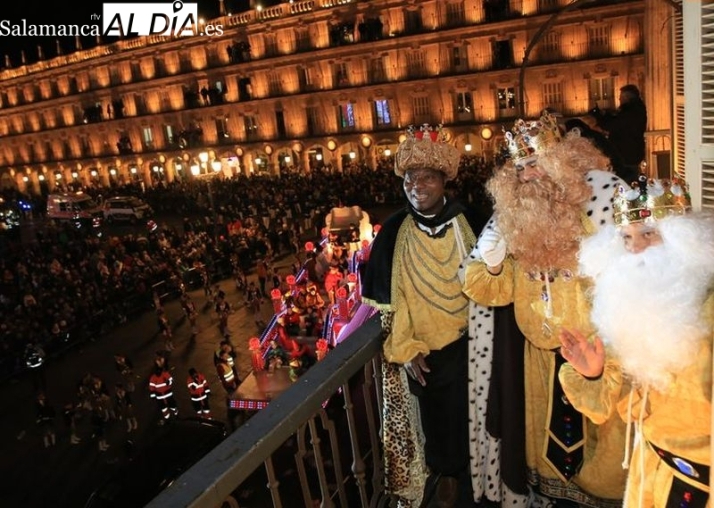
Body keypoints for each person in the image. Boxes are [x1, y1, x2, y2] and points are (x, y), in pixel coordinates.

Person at [461, 111, 629, 507]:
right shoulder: (517, 225)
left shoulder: (598, 219)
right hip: (537, 368)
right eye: (520, 168)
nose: (528, 175)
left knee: (599, 471)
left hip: (594, 365)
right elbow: (489, 290)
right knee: (548, 478)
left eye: (535, 163)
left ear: (562, 164)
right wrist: (496, 263)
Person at [362, 124, 524, 507]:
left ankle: (485, 481)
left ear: (443, 182)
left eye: (427, 177)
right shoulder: (393, 233)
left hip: (474, 342)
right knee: (439, 426)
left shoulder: (470, 220)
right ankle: (447, 479)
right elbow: (392, 304)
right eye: (410, 178)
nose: (417, 185)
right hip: (427, 352)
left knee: (483, 417)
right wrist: (407, 347)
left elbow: (494, 278)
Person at [558, 177, 714, 508]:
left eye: (649, 234)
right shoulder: (630, 305)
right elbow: (606, 407)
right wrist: (595, 374)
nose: (636, 248)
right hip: (650, 466)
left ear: (683, 240)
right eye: (626, 238)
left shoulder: (708, 305)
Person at [590, 83, 647, 184]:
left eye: (620, 97)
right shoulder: (635, 110)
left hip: (626, 157)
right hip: (630, 155)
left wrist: (598, 116)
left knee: (626, 185)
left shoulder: (631, 112)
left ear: (626, 97)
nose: (620, 99)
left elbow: (612, 125)